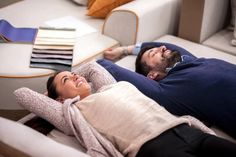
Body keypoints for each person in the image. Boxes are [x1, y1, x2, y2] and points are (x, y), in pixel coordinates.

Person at [47, 61, 236, 157]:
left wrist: (71, 78)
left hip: (185, 130)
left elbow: (92, 67)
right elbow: (23, 95)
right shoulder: (73, 112)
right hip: (155, 147)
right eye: (67, 80)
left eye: (74, 74)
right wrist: (52, 97)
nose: (75, 77)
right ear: (60, 98)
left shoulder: (110, 86)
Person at [102, 42, 236, 139]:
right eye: (153, 53)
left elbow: (167, 45)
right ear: (152, 75)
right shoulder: (169, 90)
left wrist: (125, 50)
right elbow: (109, 67)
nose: (162, 48)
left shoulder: (188, 61)